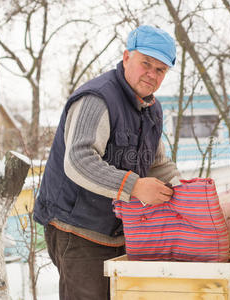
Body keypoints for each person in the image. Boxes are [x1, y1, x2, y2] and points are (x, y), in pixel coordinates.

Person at [33, 25, 181, 300]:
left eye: (160, 70)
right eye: (145, 63)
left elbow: (157, 163)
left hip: (121, 232)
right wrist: (134, 187)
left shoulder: (152, 109)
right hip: (77, 230)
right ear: (126, 58)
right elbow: (79, 160)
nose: (152, 74)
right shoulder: (97, 98)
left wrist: (187, 192)